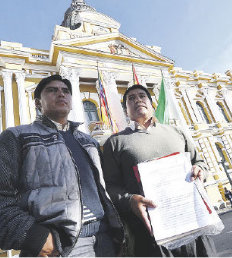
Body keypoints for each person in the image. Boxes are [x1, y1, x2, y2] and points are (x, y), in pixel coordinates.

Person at [0, 75, 124, 257]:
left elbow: (105, 190)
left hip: (105, 239)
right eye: (52, 90)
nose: (61, 94)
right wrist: (34, 237)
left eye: (66, 91)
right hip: (61, 246)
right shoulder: (17, 137)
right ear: (37, 103)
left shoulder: (89, 142)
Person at [102, 84, 217, 257]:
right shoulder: (115, 142)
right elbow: (109, 187)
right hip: (151, 235)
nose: (137, 100)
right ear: (126, 110)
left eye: (142, 96)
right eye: (131, 99)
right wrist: (130, 200)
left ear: (151, 103)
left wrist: (200, 170)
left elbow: (200, 163)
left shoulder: (177, 132)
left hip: (195, 224)